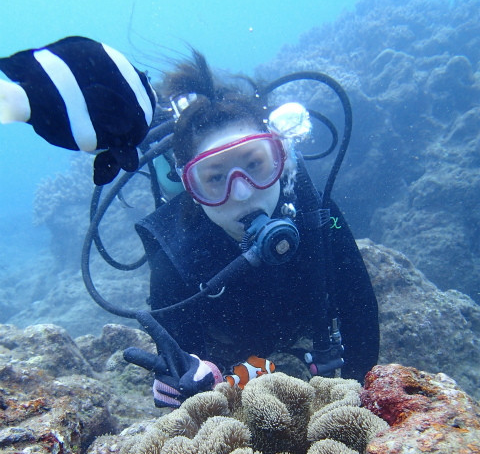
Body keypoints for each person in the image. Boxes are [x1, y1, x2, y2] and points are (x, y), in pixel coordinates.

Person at [123, 51, 379, 408]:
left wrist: (356, 401)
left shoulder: (315, 214)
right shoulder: (174, 252)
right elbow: (181, 364)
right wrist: (182, 387)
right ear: (191, 188)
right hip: (230, 363)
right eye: (215, 178)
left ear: (280, 158)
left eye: (254, 164)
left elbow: (360, 311)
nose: (242, 193)